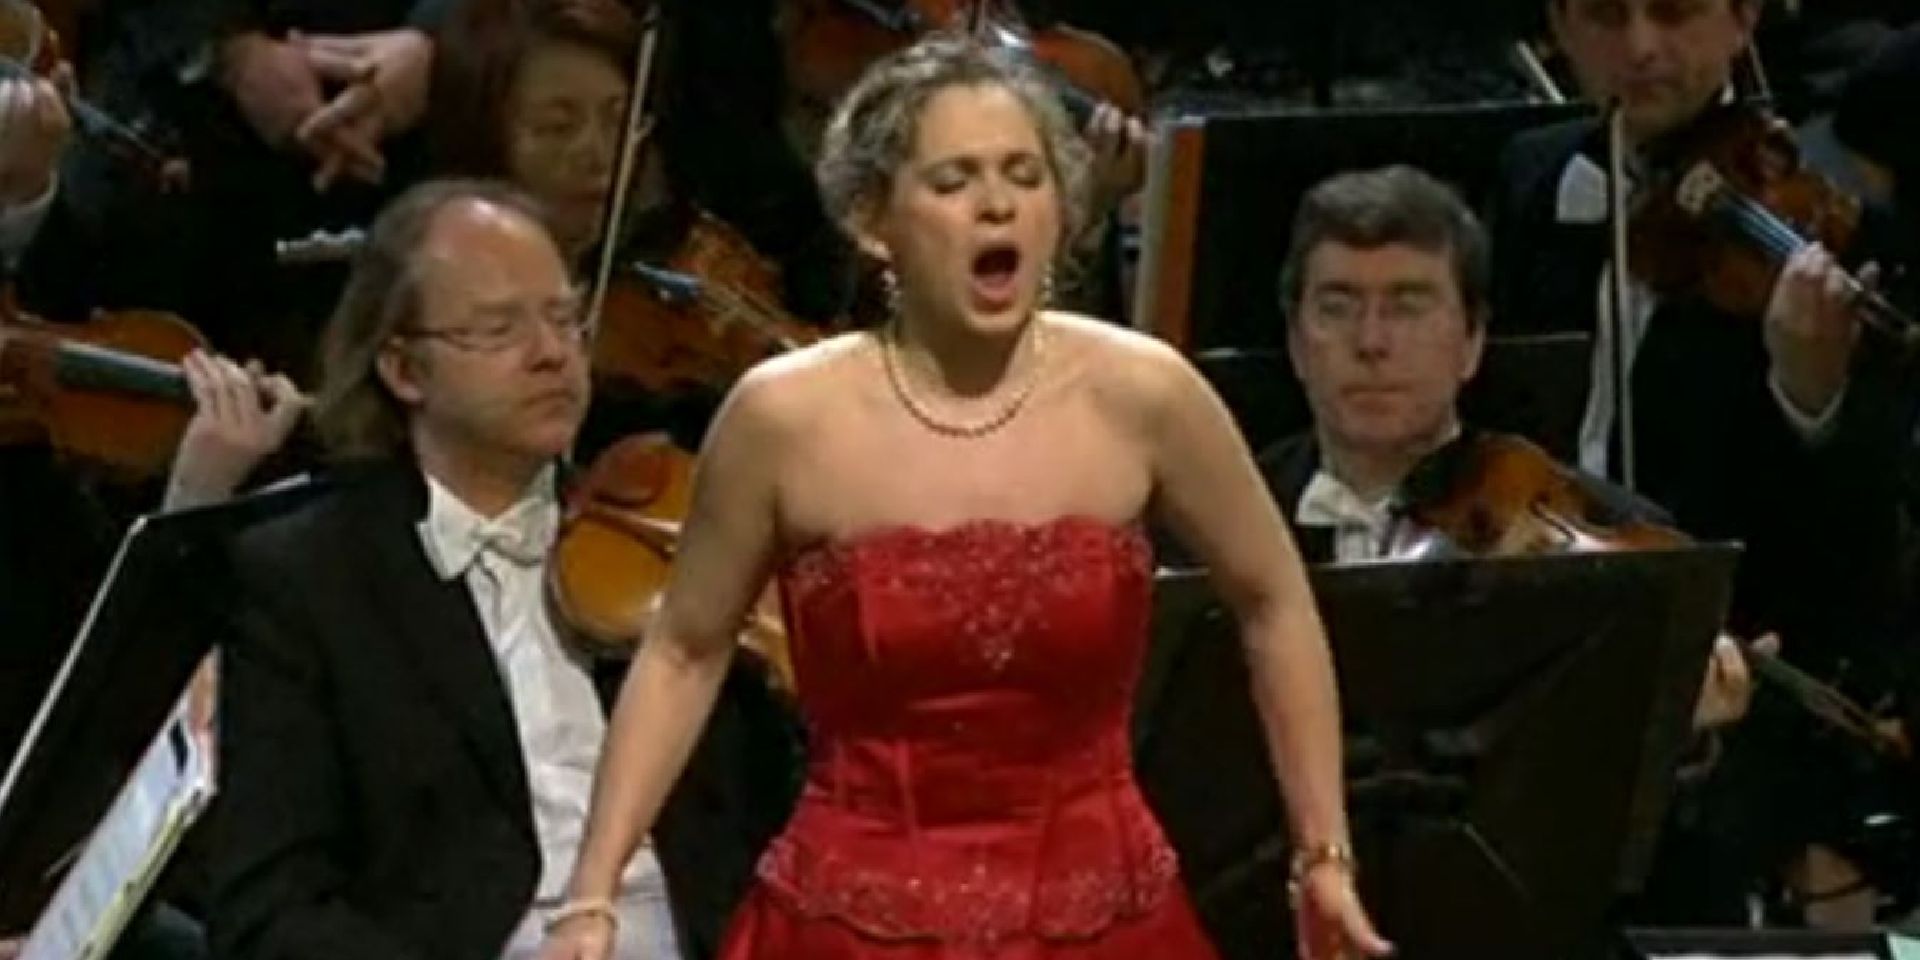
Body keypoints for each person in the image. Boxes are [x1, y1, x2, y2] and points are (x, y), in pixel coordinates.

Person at [541, 37, 1386, 960]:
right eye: (954, 181)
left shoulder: (1148, 394)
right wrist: (593, 895)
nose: (997, 205)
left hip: (1106, 924)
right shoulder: (783, 417)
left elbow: (1275, 599)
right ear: (874, 221)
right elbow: (683, 650)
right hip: (849, 932)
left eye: (1025, 175)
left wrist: (1323, 855)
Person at [207, 178, 798, 960]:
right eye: (498, 329)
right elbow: (270, 909)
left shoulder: (663, 530)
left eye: (564, 317)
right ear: (404, 369)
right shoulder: (307, 577)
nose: (552, 353)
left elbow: (769, 812)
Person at [1489, 0, 1916, 925]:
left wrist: (1808, 390)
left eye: (1676, 11)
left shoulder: (1843, 220)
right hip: (1550, 630)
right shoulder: (1531, 176)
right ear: (1560, 25)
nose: (1641, 47)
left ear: (1742, 19)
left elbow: (1864, 535)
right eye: (1605, 16)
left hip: (1748, 667)